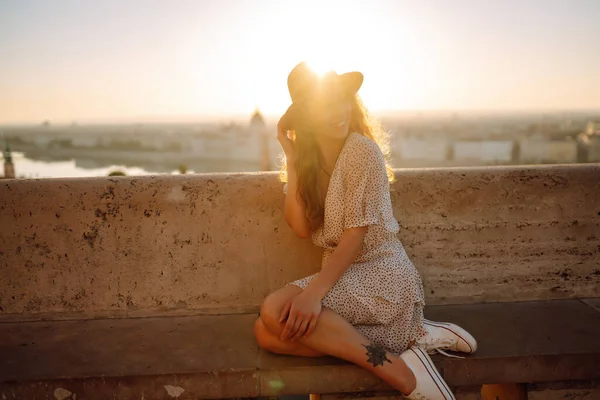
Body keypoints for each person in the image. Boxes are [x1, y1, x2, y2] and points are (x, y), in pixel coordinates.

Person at [254, 61, 477, 400]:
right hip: (345, 277)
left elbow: (355, 236)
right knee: (265, 335)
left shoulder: (362, 152)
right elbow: (299, 227)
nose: (339, 111)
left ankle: (404, 375)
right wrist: (292, 155)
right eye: (325, 106)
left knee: (273, 312)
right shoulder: (310, 163)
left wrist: (312, 294)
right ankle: (404, 344)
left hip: (382, 273)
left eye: (342, 100)